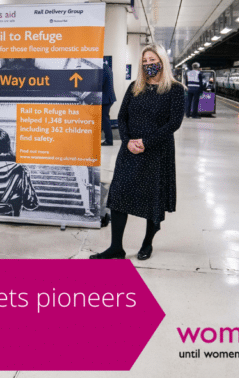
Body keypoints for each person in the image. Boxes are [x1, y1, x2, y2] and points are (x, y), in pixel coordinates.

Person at [91, 44, 185, 260]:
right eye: (144, 62)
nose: (148, 65)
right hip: (130, 150)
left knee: (153, 198)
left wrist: (146, 142)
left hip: (157, 151)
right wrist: (127, 141)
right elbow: (122, 117)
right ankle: (116, 248)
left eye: (152, 61)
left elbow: (174, 123)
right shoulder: (135, 86)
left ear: (162, 61)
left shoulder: (175, 89)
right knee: (118, 194)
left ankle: (147, 243)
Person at [101, 63, 117, 146]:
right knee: (104, 118)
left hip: (106, 98)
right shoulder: (106, 67)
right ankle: (107, 139)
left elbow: (100, 83)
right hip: (107, 98)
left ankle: (109, 140)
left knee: (105, 119)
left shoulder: (102, 68)